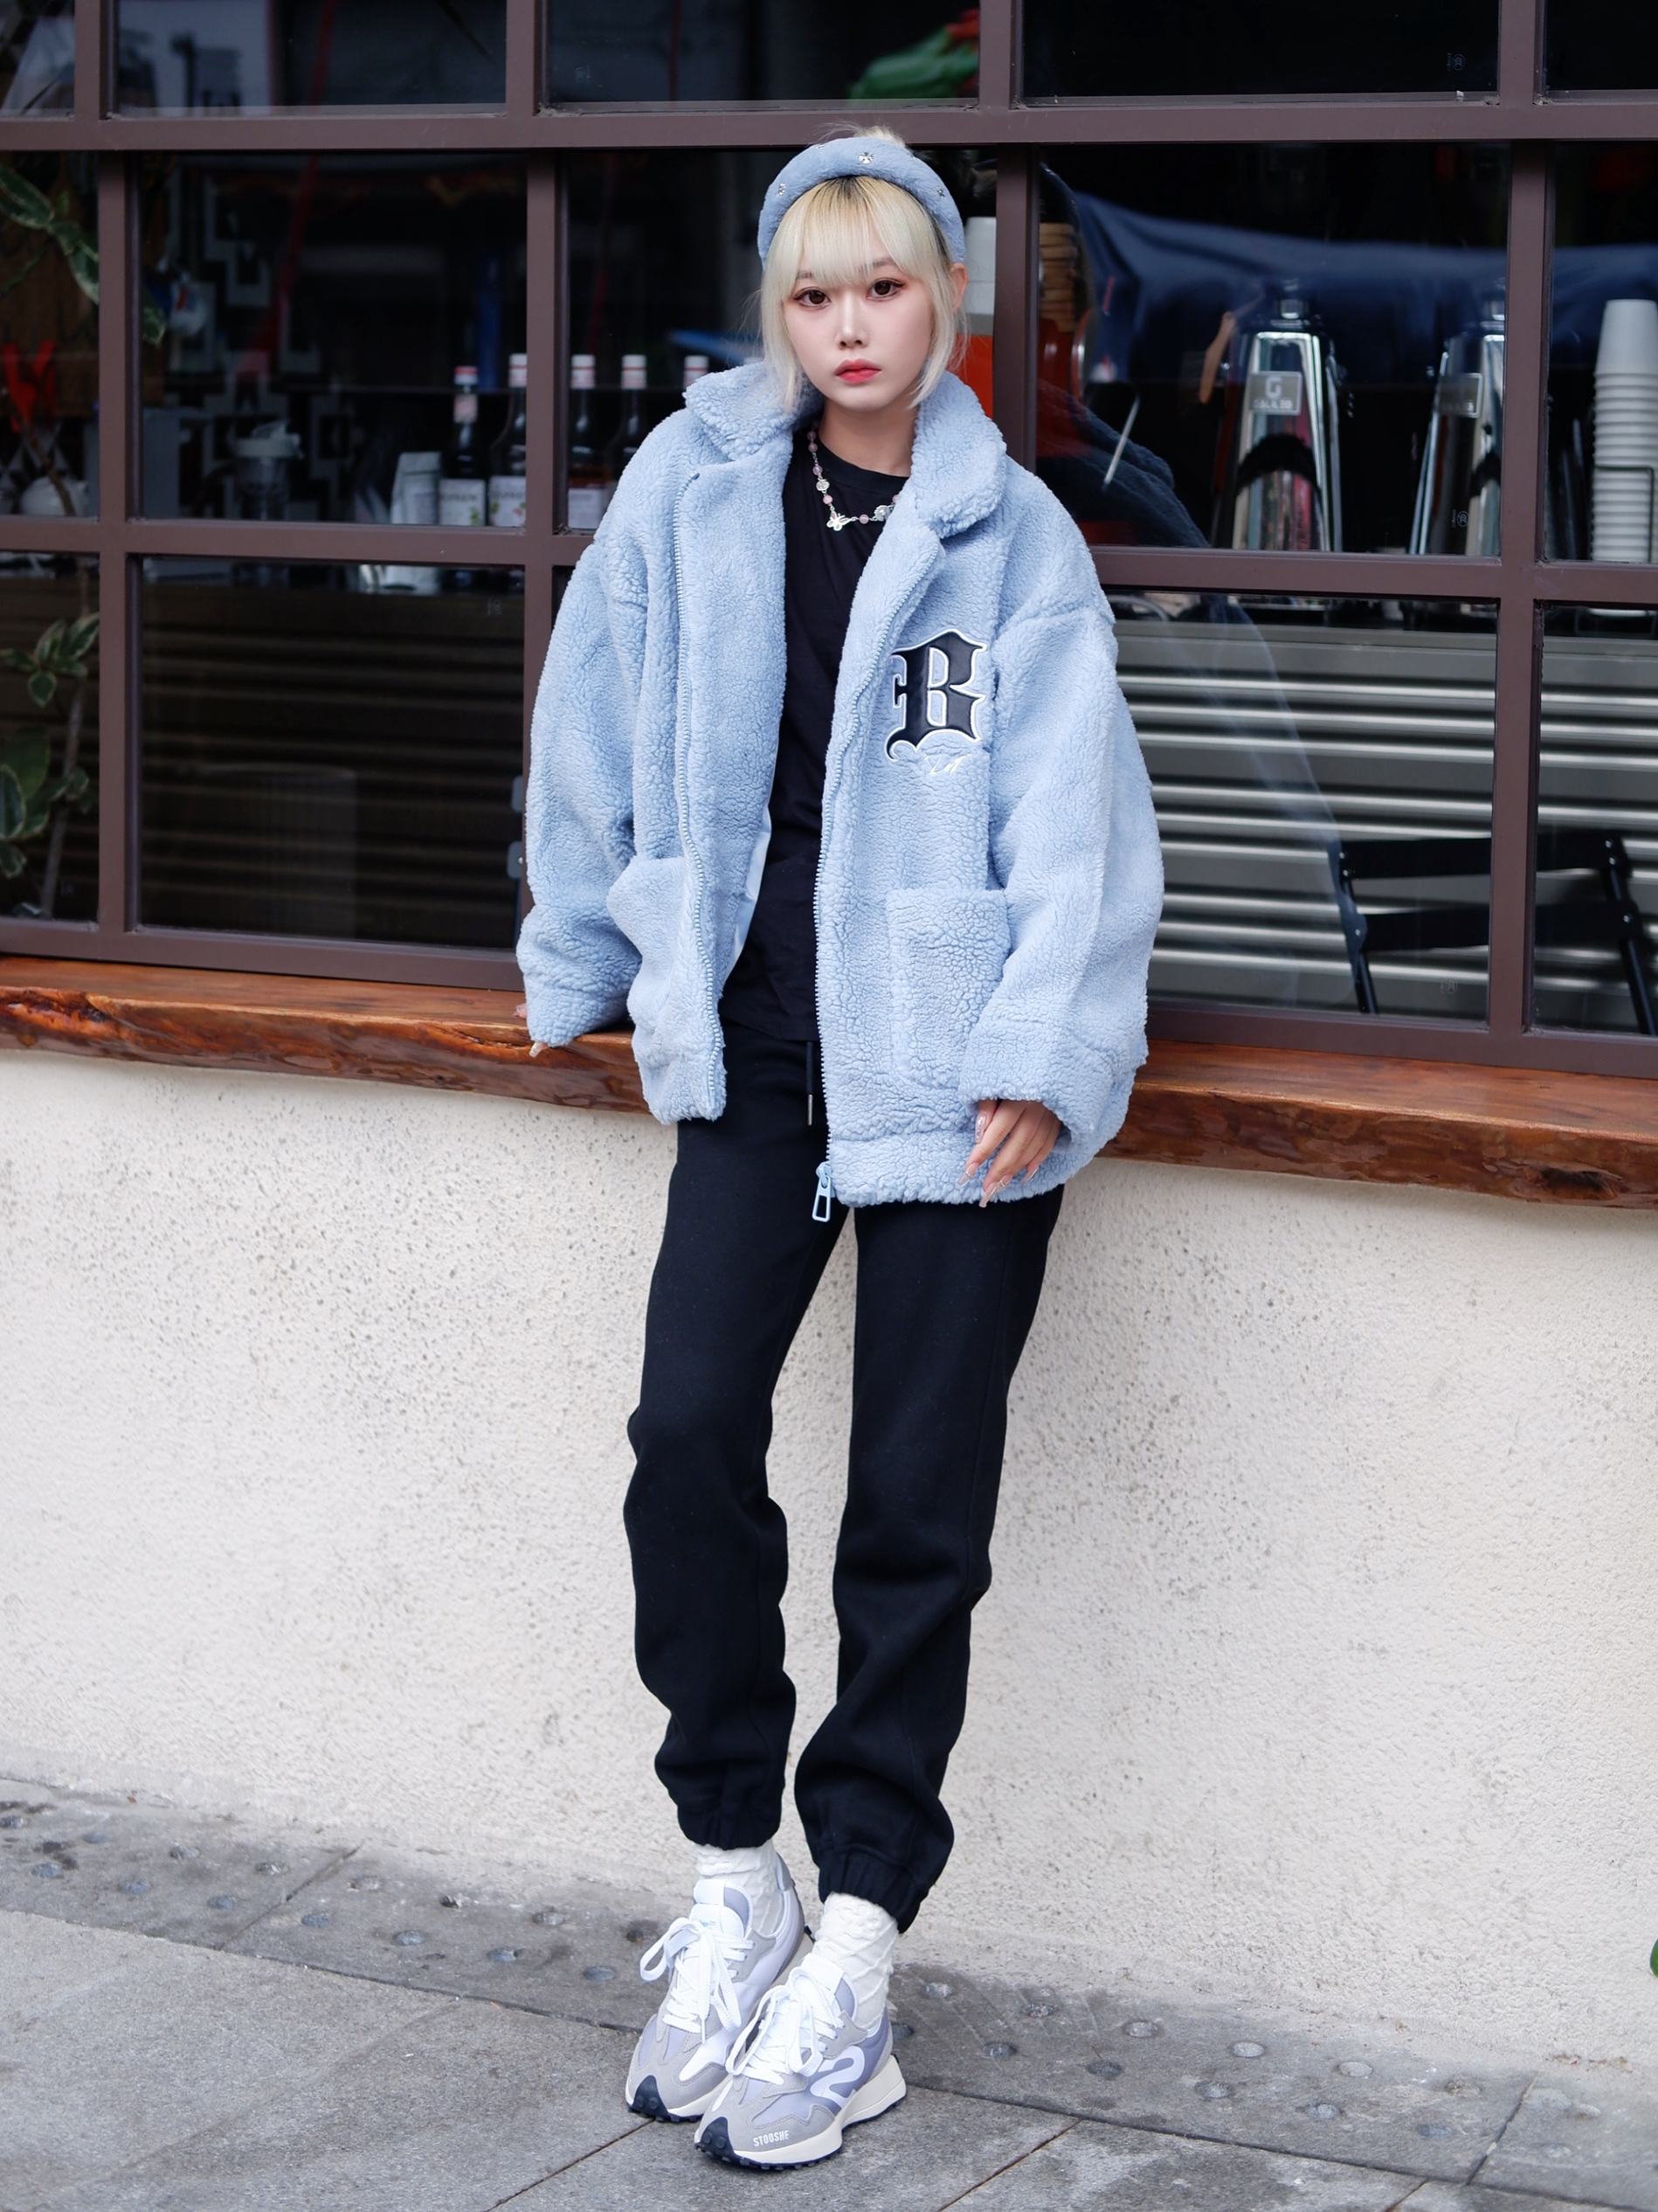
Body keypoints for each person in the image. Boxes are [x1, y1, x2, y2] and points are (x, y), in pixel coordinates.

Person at [516, 128, 1162, 2172]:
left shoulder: (1012, 533)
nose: (849, 328)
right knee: (686, 1437)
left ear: (942, 300)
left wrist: (1046, 1045)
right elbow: (589, 725)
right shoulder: (693, 490)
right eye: (813, 294)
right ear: (778, 311)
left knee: (914, 1511)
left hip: (957, 1074)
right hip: (756, 1056)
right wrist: (593, 950)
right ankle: (739, 1874)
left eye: (883, 288)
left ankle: (861, 1941)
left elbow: (1079, 816)